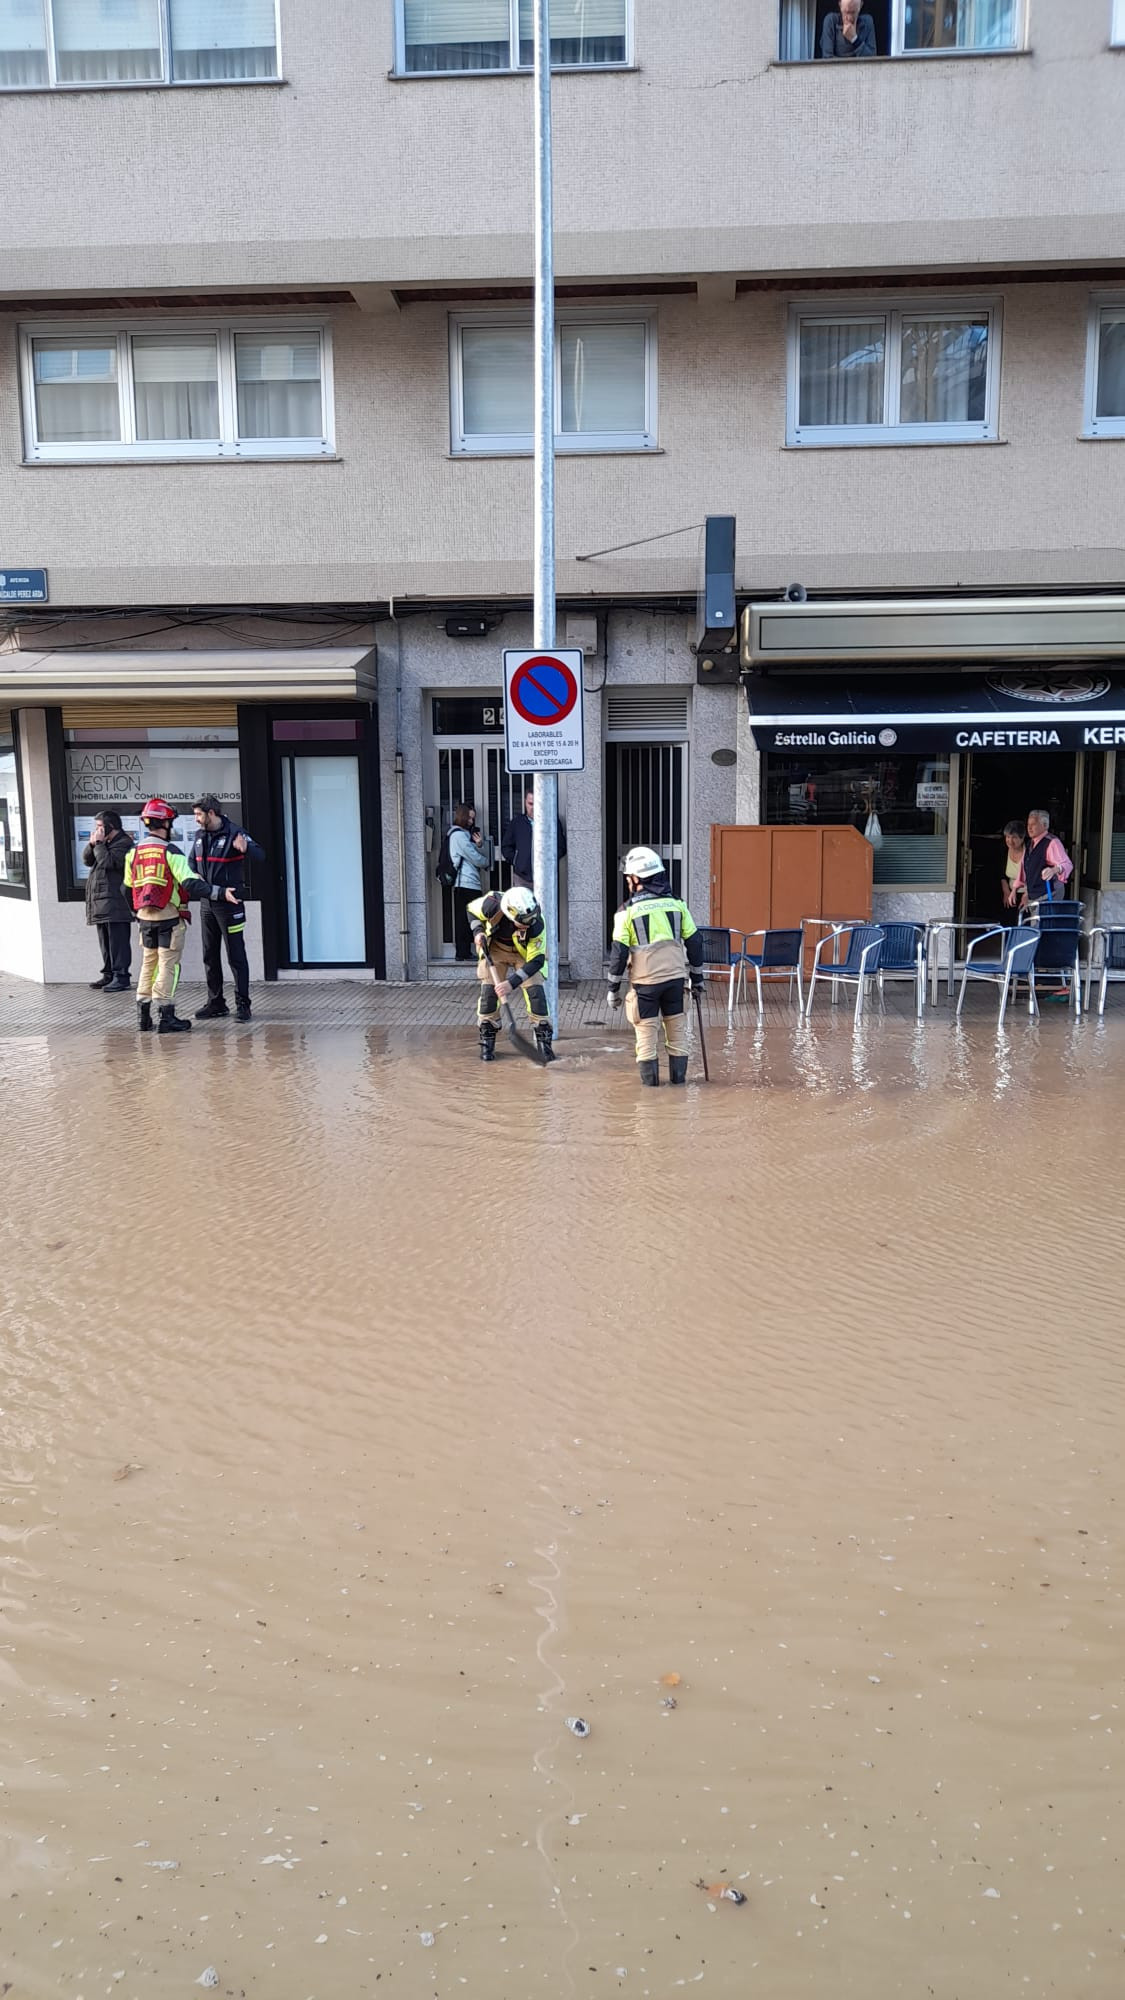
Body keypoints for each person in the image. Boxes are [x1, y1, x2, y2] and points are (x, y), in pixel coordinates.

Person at [124, 799, 241, 1036]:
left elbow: (126, 889)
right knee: (168, 965)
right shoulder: (170, 851)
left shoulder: (133, 852)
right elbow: (190, 882)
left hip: (145, 920)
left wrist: (136, 913)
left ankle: (143, 1018)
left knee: (148, 963)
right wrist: (218, 892)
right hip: (168, 918)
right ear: (165, 823)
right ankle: (166, 1016)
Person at [606, 846, 705, 1088]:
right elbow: (694, 942)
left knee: (646, 1039)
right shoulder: (678, 905)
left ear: (636, 878)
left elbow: (619, 953)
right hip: (675, 982)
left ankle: (651, 1100)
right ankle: (678, 1088)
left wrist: (613, 989)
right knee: (678, 1035)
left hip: (645, 986)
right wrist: (698, 979)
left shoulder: (625, 912)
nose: (627, 881)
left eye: (629, 877)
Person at [188, 794, 266, 1022]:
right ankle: (216, 1003)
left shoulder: (235, 833)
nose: (196, 819)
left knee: (236, 955)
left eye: (198, 814)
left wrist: (245, 849)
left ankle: (243, 1005)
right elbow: (192, 863)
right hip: (207, 904)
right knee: (209, 955)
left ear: (211, 813)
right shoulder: (200, 836)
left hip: (230, 905)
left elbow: (261, 855)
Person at [468, 884, 555, 1064]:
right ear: (510, 913)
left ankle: (543, 1042)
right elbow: (471, 911)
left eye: (531, 919)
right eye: (524, 921)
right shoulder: (491, 903)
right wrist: (478, 933)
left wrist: (511, 983)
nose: (529, 923)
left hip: (525, 954)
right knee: (489, 993)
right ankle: (487, 1037)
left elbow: (536, 961)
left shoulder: (537, 923)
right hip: (496, 949)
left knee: (535, 992)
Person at [83, 810, 135, 992]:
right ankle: (108, 974)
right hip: (101, 900)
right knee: (105, 941)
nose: (96, 831)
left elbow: (109, 862)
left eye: (99, 827)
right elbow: (87, 860)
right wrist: (92, 845)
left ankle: (121, 976)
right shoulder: (104, 843)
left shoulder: (125, 843)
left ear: (110, 827)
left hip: (116, 901)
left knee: (117, 941)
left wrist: (98, 844)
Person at [501, 788, 567, 891]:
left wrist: (549, 859)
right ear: (525, 802)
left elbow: (561, 847)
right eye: (530, 804)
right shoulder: (517, 823)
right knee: (522, 906)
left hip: (545, 877)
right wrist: (517, 860)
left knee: (544, 907)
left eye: (537, 804)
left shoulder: (552, 821)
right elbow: (506, 846)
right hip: (521, 878)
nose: (533, 808)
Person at [448, 802, 490, 961]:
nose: (471, 822)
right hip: (465, 883)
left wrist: (479, 844)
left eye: (473, 819)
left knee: (467, 919)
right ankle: (463, 952)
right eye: (469, 818)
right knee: (466, 920)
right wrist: (486, 861)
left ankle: (465, 951)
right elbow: (474, 857)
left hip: (467, 883)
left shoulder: (462, 834)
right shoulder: (459, 835)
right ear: (462, 817)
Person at [1021, 808, 1073, 906]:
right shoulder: (1030, 843)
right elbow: (1027, 868)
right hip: (1034, 894)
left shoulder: (1052, 842)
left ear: (1044, 825)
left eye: (1033, 824)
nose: (1029, 828)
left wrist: (1053, 870)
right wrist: (1026, 892)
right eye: (1028, 824)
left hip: (1049, 893)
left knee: (1044, 921)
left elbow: (1067, 864)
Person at [1001, 819, 1026, 916]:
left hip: (1027, 893)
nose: (1010, 841)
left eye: (1014, 837)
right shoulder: (1003, 849)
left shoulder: (1029, 851)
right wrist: (1006, 891)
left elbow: (1035, 875)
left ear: (1022, 838)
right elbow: (1001, 874)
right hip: (1010, 891)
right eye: (1008, 837)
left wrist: (1027, 894)